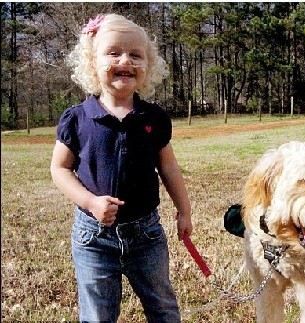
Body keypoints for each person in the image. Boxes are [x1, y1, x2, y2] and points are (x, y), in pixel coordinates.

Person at [50, 13, 192, 323]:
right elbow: (59, 169)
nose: (125, 60)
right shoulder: (77, 119)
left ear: (147, 66)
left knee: (163, 307)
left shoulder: (153, 118)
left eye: (135, 54)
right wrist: (89, 201)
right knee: (98, 315)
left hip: (146, 234)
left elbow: (168, 168)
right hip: (94, 237)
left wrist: (184, 211)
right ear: (91, 62)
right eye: (113, 52)